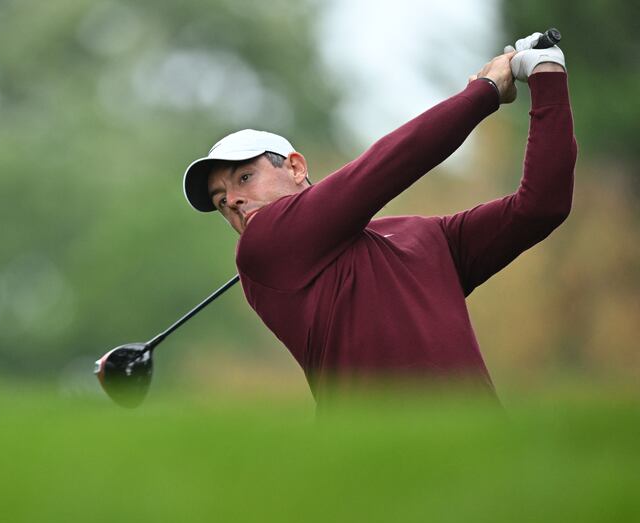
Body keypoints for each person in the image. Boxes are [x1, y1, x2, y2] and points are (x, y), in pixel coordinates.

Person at [181, 33, 576, 402]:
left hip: (480, 454)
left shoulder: (424, 236)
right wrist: (484, 92)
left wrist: (547, 74)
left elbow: (541, 207)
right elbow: (387, 167)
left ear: (296, 167)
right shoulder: (262, 247)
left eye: (244, 178)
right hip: (374, 467)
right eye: (220, 201)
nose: (232, 201)